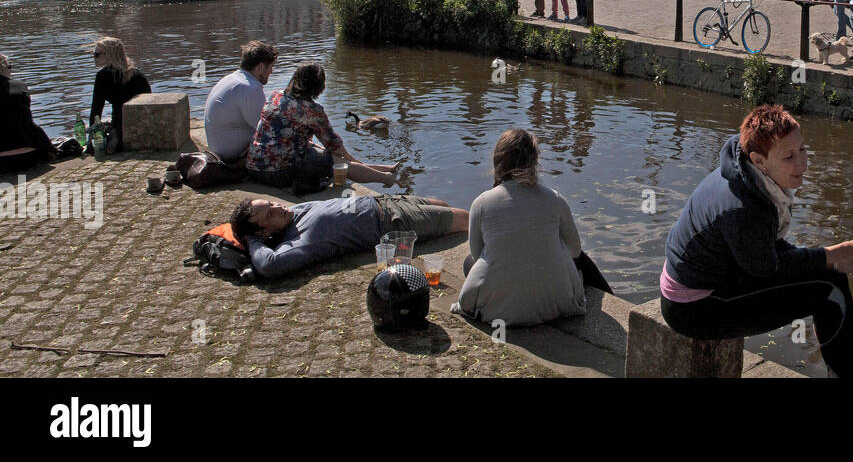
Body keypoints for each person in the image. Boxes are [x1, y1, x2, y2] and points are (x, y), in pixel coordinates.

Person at [660, 105, 853, 379]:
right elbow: (767, 269)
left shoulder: (745, 170)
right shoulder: (744, 208)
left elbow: (769, 250)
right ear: (759, 160)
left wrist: (835, 259)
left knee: (831, 275)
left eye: (803, 150)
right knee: (831, 291)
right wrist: (838, 252)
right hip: (695, 308)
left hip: (714, 280)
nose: (802, 163)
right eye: (789, 156)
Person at [453, 129, 611, 327]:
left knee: (469, 262)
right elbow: (574, 251)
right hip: (557, 305)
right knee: (577, 258)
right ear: (535, 162)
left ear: (497, 162)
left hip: (498, 311)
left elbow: (477, 255)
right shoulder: (555, 199)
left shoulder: (482, 203)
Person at [231, 194, 469, 281]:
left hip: (385, 201)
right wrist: (253, 240)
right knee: (466, 219)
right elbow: (270, 266)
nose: (278, 207)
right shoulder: (301, 240)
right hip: (391, 222)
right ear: (262, 231)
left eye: (272, 203)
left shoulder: (292, 215)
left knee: (444, 204)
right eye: (269, 213)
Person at [247, 62, 397, 190]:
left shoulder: (275, 95)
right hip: (277, 174)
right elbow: (335, 145)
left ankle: (378, 168)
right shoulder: (312, 110)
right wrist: (353, 160)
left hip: (254, 166)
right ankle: (386, 178)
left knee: (319, 150)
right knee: (338, 162)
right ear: (318, 87)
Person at [203, 41, 277, 162]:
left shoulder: (232, 79)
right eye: (271, 67)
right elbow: (267, 129)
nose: (271, 72)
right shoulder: (250, 88)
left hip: (218, 149)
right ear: (261, 67)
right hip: (232, 156)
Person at [89, 37, 151, 153]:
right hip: (139, 122)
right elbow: (149, 102)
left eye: (97, 54)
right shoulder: (137, 74)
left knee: (112, 131)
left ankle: (115, 138)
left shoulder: (102, 77)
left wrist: (91, 137)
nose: (94, 58)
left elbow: (96, 108)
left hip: (118, 122)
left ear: (109, 55)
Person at [0, 53, 56, 168]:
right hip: (28, 156)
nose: (10, 72)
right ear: (2, 69)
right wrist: (50, 148)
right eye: (9, 68)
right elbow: (28, 123)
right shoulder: (20, 86)